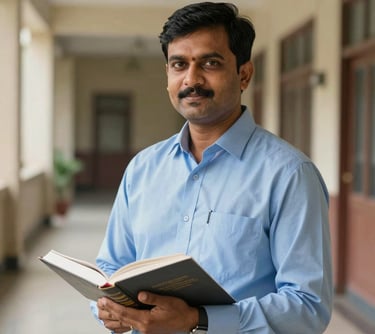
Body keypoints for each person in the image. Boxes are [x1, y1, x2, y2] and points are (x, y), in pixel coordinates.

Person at [92, 2, 333, 333]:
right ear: (168, 76)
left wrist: (198, 319)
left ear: (244, 74)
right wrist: (107, 307)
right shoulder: (142, 169)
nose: (192, 79)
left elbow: (308, 306)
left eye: (210, 63)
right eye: (179, 64)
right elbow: (111, 264)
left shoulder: (289, 174)